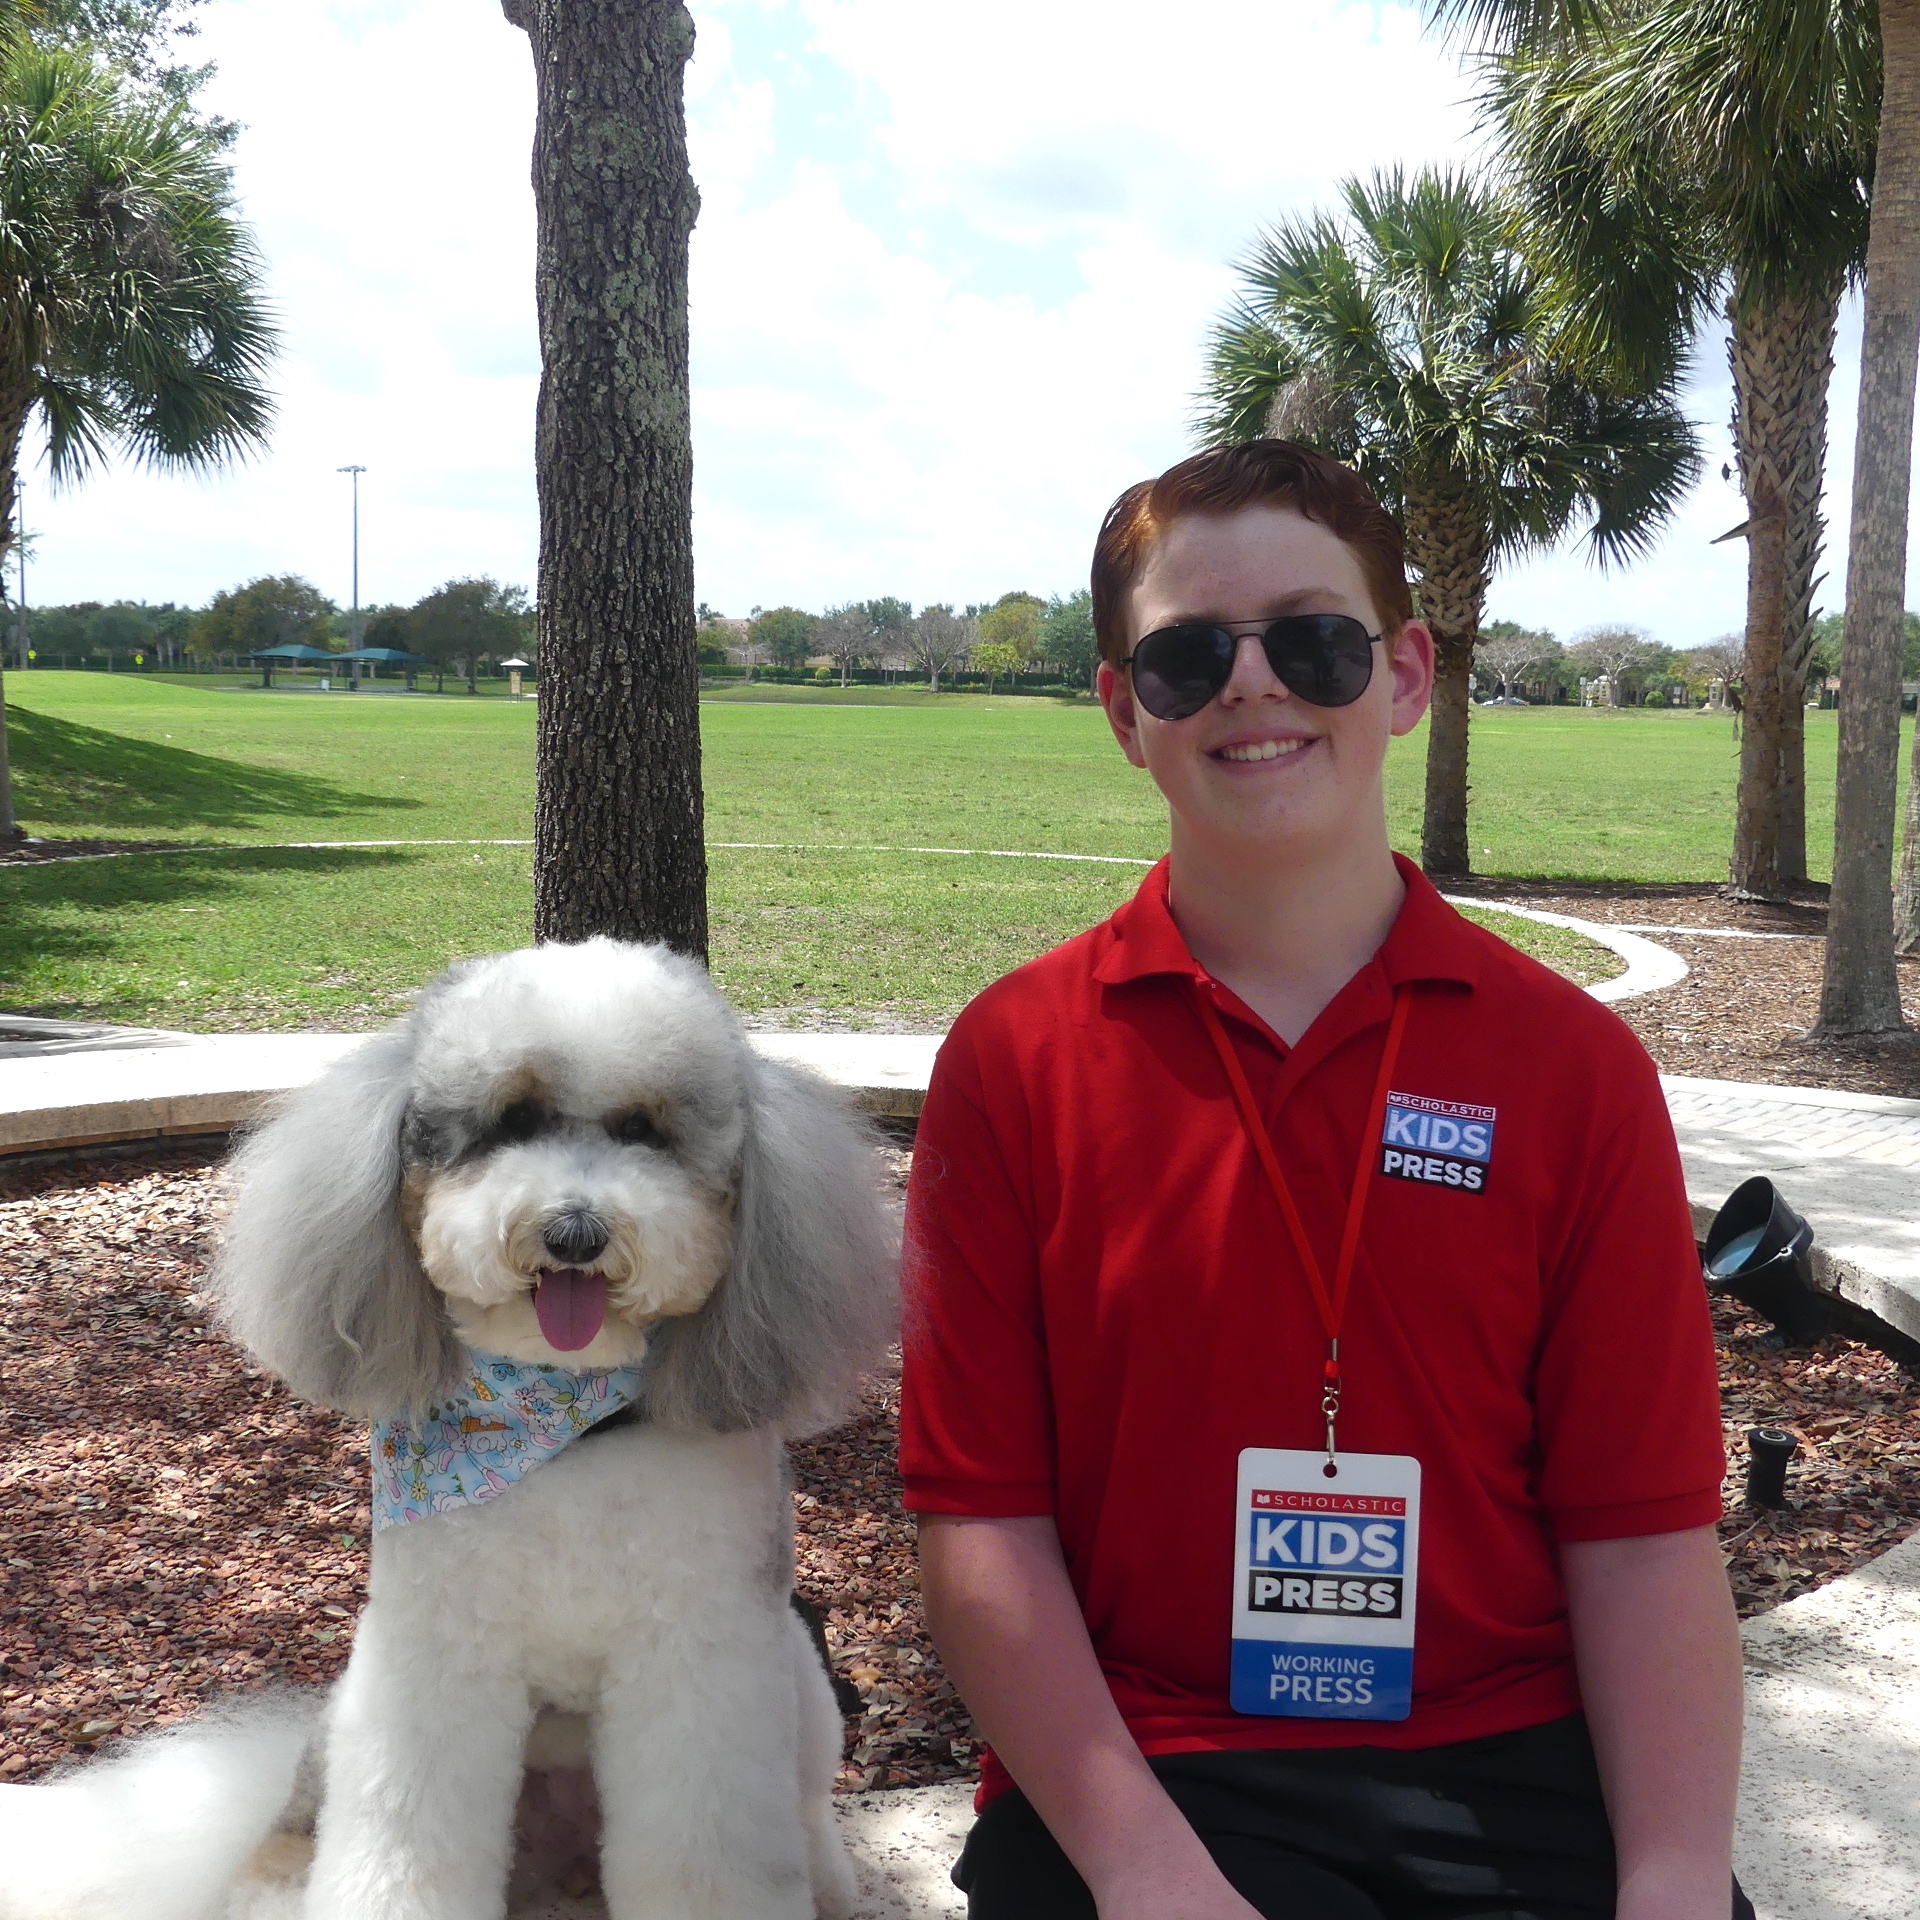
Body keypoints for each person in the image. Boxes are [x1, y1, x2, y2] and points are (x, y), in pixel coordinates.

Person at [897, 441, 1749, 1920]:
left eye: (1312, 639)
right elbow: (982, 1526)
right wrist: (1148, 1874)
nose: (1253, 685)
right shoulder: (1015, 1060)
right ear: (1123, 712)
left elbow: (1642, 1538)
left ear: (1404, 676)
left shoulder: (1570, 1070)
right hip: (1153, 1769)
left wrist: (1673, 1882)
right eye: (1183, 657)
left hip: (1513, 1755)